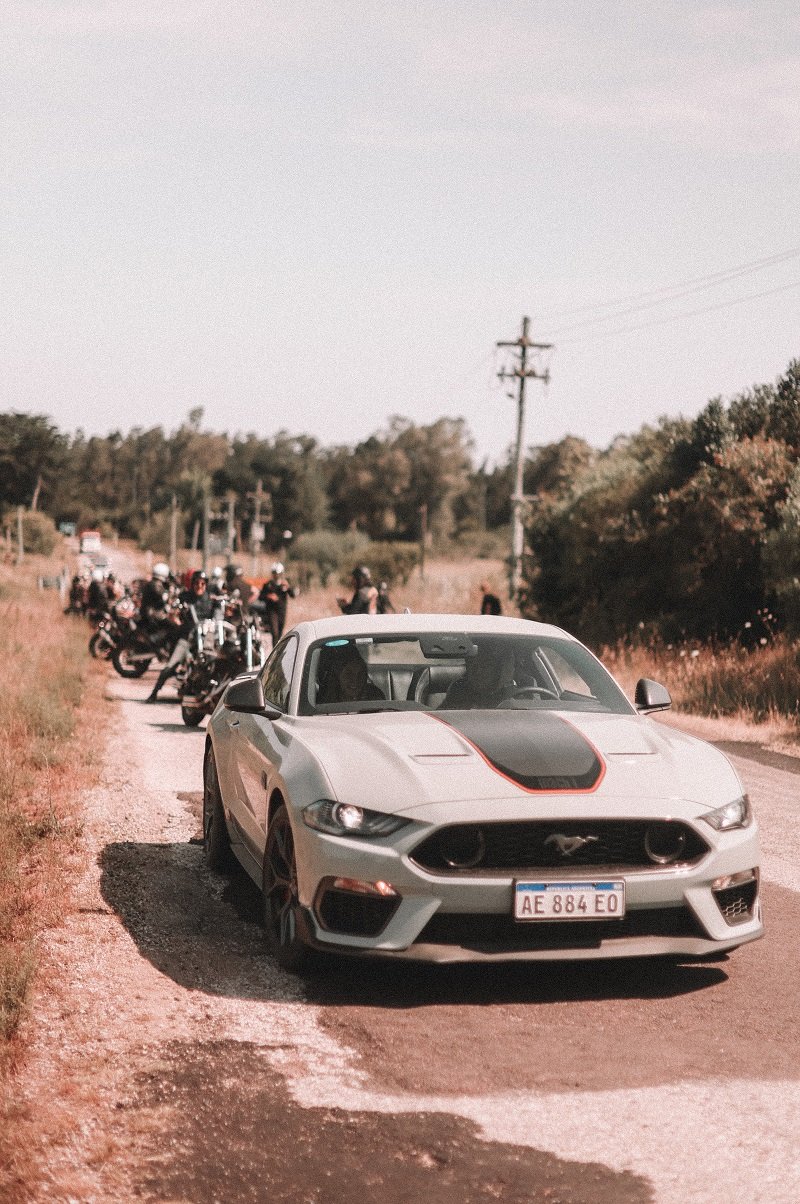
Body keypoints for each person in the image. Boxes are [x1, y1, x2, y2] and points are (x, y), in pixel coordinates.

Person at [146, 570, 216, 702]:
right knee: (171, 664)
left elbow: (218, 615)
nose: (199, 586)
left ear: (206, 584)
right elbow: (174, 611)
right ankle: (154, 692)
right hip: (188, 637)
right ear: (192, 584)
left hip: (205, 638)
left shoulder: (211, 599)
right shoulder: (185, 596)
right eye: (196, 583)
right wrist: (177, 616)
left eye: (202, 583)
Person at [441, 641, 515, 709]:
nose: (478, 671)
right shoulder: (459, 689)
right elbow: (440, 717)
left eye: (485, 666)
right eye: (473, 666)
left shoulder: (515, 695)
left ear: (498, 670)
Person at [317, 643, 385, 704]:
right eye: (349, 674)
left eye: (360, 674)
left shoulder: (374, 695)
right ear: (338, 674)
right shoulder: (324, 700)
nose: (355, 680)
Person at [257, 562, 293, 647]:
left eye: (278, 574)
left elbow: (292, 595)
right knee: (274, 632)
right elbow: (260, 597)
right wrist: (269, 596)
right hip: (272, 611)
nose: (277, 576)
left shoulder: (284, 584)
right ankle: (275, 650)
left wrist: (289, 587)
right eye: (275, 574)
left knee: (280, 632)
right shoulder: (268, 585)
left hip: (282, 611)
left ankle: (279, 649)